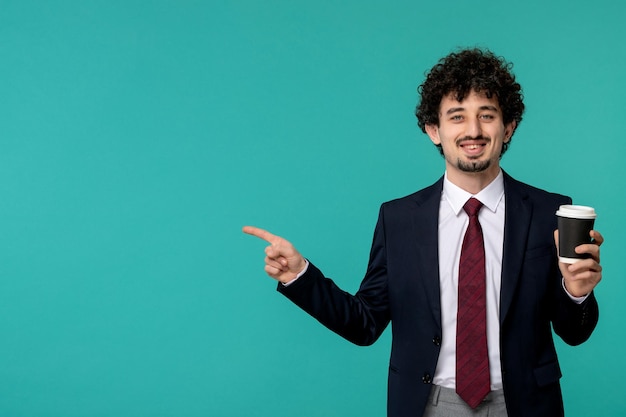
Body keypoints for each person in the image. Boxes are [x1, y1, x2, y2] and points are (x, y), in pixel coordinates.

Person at [243, 48, 603, 417]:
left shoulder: (549, 212)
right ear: (434, 130)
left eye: (487, 116)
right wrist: (299, 276)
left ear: (508, 126)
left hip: (525, 402)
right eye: (457, 117)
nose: (473, 131)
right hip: (428, 404)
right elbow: (365, 323)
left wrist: (576, 295)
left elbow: (574, 333)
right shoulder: (398, 219)